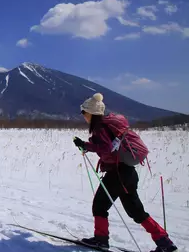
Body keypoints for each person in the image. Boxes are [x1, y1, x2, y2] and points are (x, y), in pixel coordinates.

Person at [73, 93, 177, 252]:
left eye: (84, 112)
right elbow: (109, 147)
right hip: (128, 173)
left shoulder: (100, 127)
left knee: (99, 206)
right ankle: (165, 243)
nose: (83, 116)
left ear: (91, 113)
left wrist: (87, 146)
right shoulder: (112, 124)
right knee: (137, 212)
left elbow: (106, 150)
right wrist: (88, 145)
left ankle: (101, 240)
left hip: (117, 175)